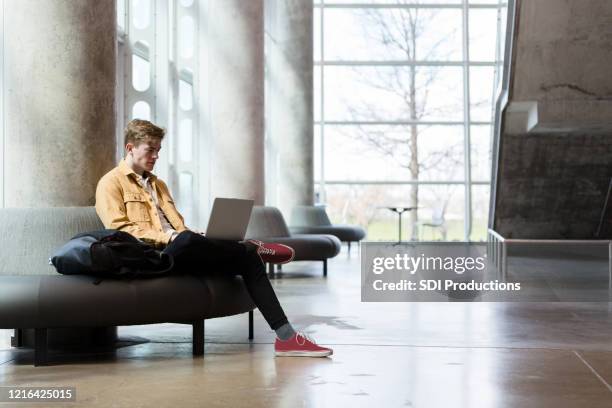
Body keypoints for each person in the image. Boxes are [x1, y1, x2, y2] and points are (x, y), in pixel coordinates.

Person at [95, 119, 332, 357]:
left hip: (180, 249)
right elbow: (122, 232)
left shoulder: (159, 185)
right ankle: (250, 246)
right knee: (189, 240)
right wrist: (174, 237)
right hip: (151, 258)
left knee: (247, 258)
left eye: (158, 150)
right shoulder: (110, 183)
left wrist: (195, 235)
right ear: (130, 148)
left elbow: (177, 226)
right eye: (150, 150)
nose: (156, 156)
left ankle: (287, 337)